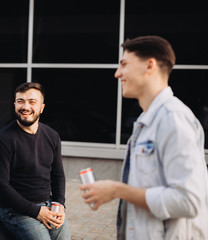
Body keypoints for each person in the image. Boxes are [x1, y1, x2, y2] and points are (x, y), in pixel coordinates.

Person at [80, 35, 208, 239]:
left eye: (124, 64)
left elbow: (189, 201)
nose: (117, 73)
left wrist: (117, 190)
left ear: (150, 66)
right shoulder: (146, 121)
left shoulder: (173, 119)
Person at [0, 82, 71, 240]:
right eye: (20, 101)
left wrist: (59, 204)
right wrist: (37, 212)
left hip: (48, 204)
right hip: (16, 211)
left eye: (32, 102)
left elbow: (58, 174)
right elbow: (0, 187)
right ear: (14, 105)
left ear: (42, 107)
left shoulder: (52, 136)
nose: (25, 107)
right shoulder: (3, 140)